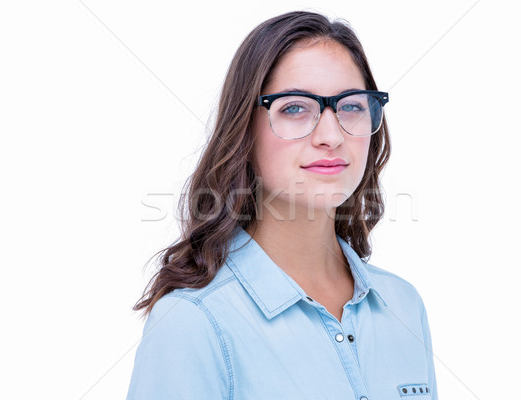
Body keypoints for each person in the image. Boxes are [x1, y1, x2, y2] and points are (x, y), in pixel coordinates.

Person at [127, 10, 438, 400]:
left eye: (351, 106)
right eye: (294, 107)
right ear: (244, 130)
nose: (331, 135)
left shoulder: (403, 306)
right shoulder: (193, 321)